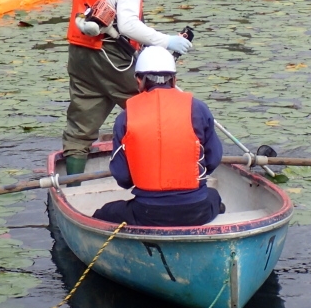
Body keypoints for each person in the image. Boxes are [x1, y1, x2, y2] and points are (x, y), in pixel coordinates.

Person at [62, 0, 193, 176]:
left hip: (79, 53)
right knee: (156, 105)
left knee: (81, 123)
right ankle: (172, 169)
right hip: (111, 57)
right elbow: (129, 24)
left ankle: (72, 185)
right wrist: (166, 41)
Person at [93, 46, 224, 227]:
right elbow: (213, 159)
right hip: (196, 211)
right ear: (174, 79)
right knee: (213, 196)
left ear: (139, 81)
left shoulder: (126, 117)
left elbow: (123, 177)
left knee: (104, 212)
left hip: (147, 213)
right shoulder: (198, 108)